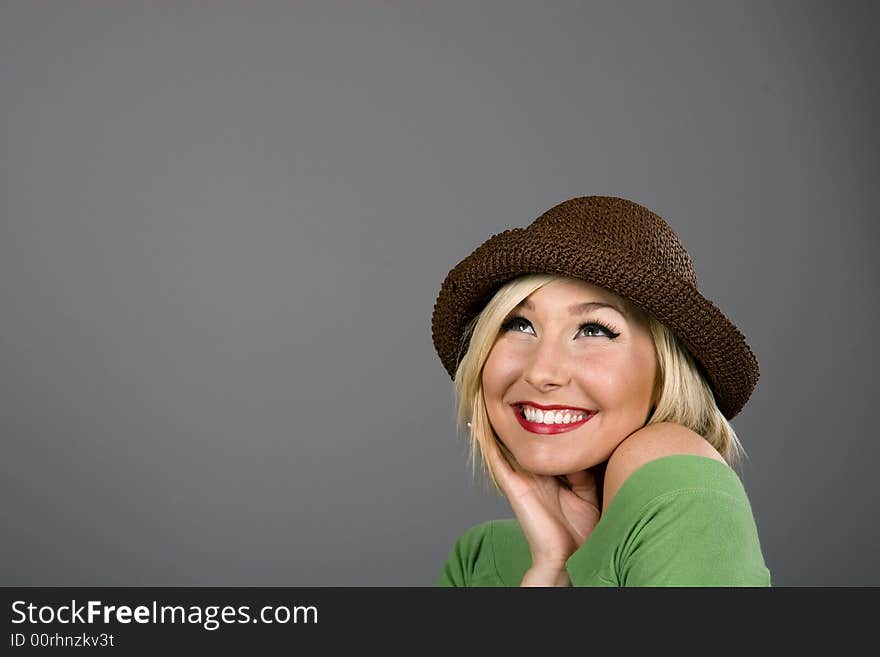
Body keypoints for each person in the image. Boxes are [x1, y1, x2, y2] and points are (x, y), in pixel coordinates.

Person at [430, 195, 771, 586]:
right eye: (519, 324)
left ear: (666, 372)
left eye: (594, 330)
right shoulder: (475, 561)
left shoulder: (676, 479)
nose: (541, 372)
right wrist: (552, 569)